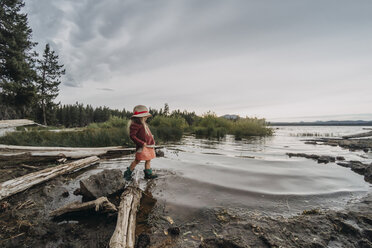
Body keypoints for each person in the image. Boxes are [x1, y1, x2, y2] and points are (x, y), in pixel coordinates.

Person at [124, 105, 158, 180]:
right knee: (137, 160)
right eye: (144, 116)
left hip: (148, 145)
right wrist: (141, 143)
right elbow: (132, 136)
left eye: (146, 116)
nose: (146, 118)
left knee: (148, 159)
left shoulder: (143, 124)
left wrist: (151, 139)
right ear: (139, 117)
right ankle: (128, 173)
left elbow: (145, 134)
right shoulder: (135, 125)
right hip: (142, 146)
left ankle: (148, 173)